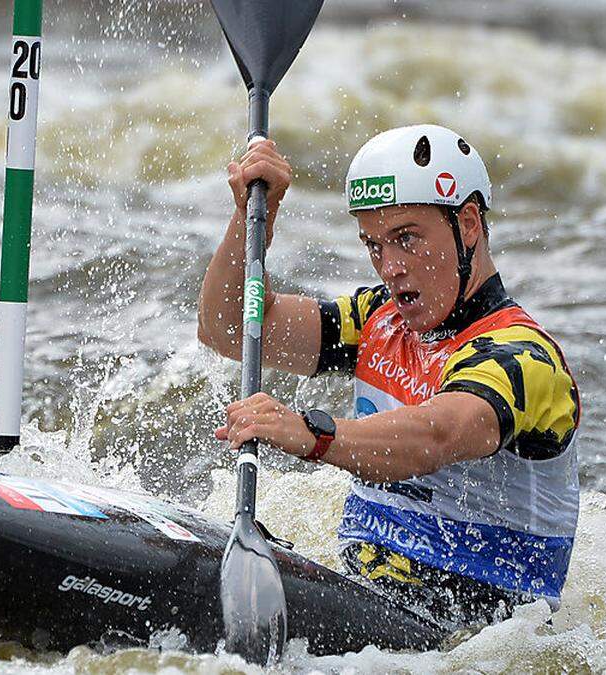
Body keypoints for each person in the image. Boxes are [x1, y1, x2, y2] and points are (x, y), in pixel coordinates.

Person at [197, 124, 582, 631]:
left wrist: (311, 433)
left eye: (406, 239)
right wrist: (249, 221)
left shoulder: (525, 358)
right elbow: (227, 328)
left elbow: (437, 434)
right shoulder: (377, 318)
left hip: (469, 636)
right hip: (368, 600)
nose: (390, 267)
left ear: (468, 225)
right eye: (374, 245)